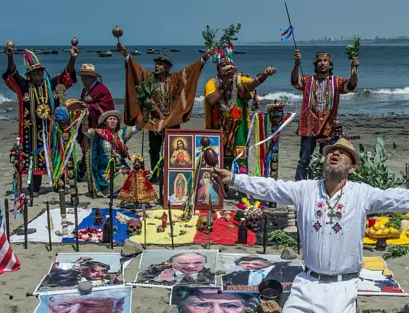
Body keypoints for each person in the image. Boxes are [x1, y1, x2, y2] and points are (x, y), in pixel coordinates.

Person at [210, 138, 409, 313]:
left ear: (351, 168)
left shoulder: (362, 194)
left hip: (342, 281)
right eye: (333, 151)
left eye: (343, 154)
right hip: (309, 278)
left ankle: (341, 305)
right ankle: (316, 306)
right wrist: (233, 179)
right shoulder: (305, 189)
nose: (335, 154)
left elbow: (397, 197)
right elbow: (270, 187)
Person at [119, 42, 212, 182]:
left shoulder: (175, 78)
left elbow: (190, 71)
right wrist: (126, 55)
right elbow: (137, 70)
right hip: (154, 120)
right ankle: (155, 174)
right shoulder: (149, 78)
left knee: (173, 148)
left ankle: (171, 173)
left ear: (168, 67)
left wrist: (203, 59)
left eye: (161, 64)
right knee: (154, 148)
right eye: (157, 63)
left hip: (171, 119)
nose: (157, 66)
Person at [3, 42, 78, 195]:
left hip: (52, 130)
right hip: (31, 131)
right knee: (33, 158)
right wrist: (10, 56)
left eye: (40, 72)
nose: (38, 76)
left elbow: (66, 75)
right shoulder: (25, 86)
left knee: (56, 154)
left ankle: (59, 183)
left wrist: (72, 58)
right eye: (34, 73)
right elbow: (12, 73)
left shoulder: (51, 85)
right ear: (29, 76)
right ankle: (34, 187)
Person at [292, 51, 358, 181]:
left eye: (325, 61)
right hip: (309, 126)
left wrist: (354, 69)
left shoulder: (337, 82)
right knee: (304, 159)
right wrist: (296, 64)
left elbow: (350, 86)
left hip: (328, 126)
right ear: (316, 65)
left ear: (330, 65)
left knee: (327, 160)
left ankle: (325, 186)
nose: (322, 63)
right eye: (319, 61)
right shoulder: (308, 80)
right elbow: (295, 82)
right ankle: (299, 186)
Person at [204, 54, 276, 170]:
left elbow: (252, 84)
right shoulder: (212, 83)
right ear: (218, 69)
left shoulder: (239, 80)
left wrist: (264, 75)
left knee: (240, 157)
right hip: (218, 129)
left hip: (239, 129)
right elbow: (212, 100)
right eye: (223, 65)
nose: (227, 67)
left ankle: (240, 183)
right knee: (218, 158)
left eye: (229, 65)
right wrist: (225, 83)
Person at [85, 110, 146, 197]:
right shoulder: (98, 133)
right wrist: (84, 117)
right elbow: (85, 131)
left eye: (115, 119)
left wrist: (144, 120)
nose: (113, 121)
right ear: (105, 122)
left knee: (135, 179)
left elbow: (136, 128)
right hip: (105, 171)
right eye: (110, 119)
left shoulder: (122, 133)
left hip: (120, 168)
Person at [137, 252, 215, 285]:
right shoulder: (155, 270)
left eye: (197, 263)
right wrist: (157, 280)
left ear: (205, 263)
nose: (191, 266)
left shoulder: (211, 275)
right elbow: (138, 282)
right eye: (183, 263)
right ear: (170, 262)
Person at [222, 256, 303, 287]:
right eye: (244, 264)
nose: (249, 265)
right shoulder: (237, 277)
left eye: (253, 262)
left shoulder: (289, 270)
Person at [41, 258, 116, 289]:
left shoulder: (106, 281)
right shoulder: (72, 274)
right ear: (84, 270)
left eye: (104, 271)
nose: (100, 274)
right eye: (94, 271)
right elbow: (55, 272)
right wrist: (75, 266)